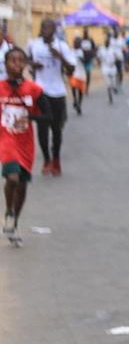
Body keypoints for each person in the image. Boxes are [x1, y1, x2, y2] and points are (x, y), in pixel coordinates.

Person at [2, 47, 44, 246]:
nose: (16, 64)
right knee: (12, 177)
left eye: (20, 61)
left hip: (25, 143)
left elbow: (49, 116)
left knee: (23, 185)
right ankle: (8, 208)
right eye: (12, 60)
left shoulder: (34, 89)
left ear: (26, 64)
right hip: (6, 140)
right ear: (5, 64)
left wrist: (29, 116)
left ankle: (14, 220)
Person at [26, 18, 78, 176]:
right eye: (44, 27)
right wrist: (32, 65)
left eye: (49, 28)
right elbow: (26, 60)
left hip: (58, 93)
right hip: (40, 92)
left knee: (56, 129)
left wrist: (60, 56)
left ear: (54, 30)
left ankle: (56, 159)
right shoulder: (34, 44)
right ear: (41, 29)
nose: (46, 30)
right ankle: (47, 160)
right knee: (42, 129)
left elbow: (71, 70)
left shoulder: (62, 46)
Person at [99, 34, 125, 105]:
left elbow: (118, 57)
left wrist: (116, 60)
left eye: (108, 42)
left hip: (112, 67)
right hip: (105, 67)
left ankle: (114, 88)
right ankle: (110, 96)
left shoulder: (112, 49)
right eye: (106, 42)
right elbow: (98, 57)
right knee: (108, 83)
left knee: (113, 82)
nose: (107, 43)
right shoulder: (101, 49)